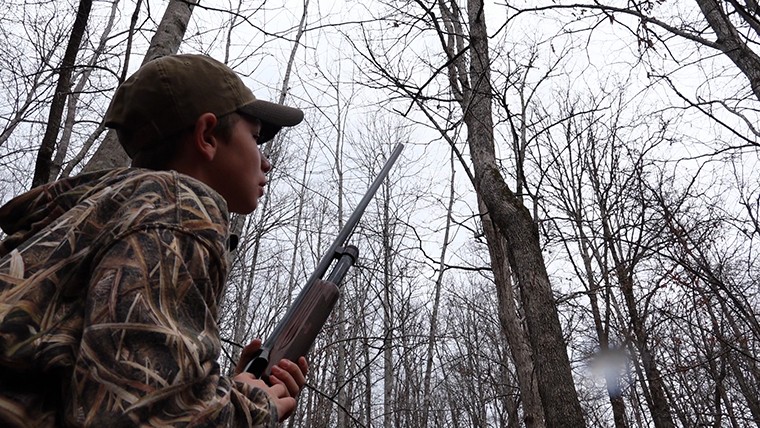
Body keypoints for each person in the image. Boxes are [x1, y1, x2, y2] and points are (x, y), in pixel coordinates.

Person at [0, 54, 308, 427]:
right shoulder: (178, 207)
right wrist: (253, 407)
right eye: (256, 138)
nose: (266, 162)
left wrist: (217, 390)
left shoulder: (96, 217)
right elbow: (144, 417)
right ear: (207, 136)